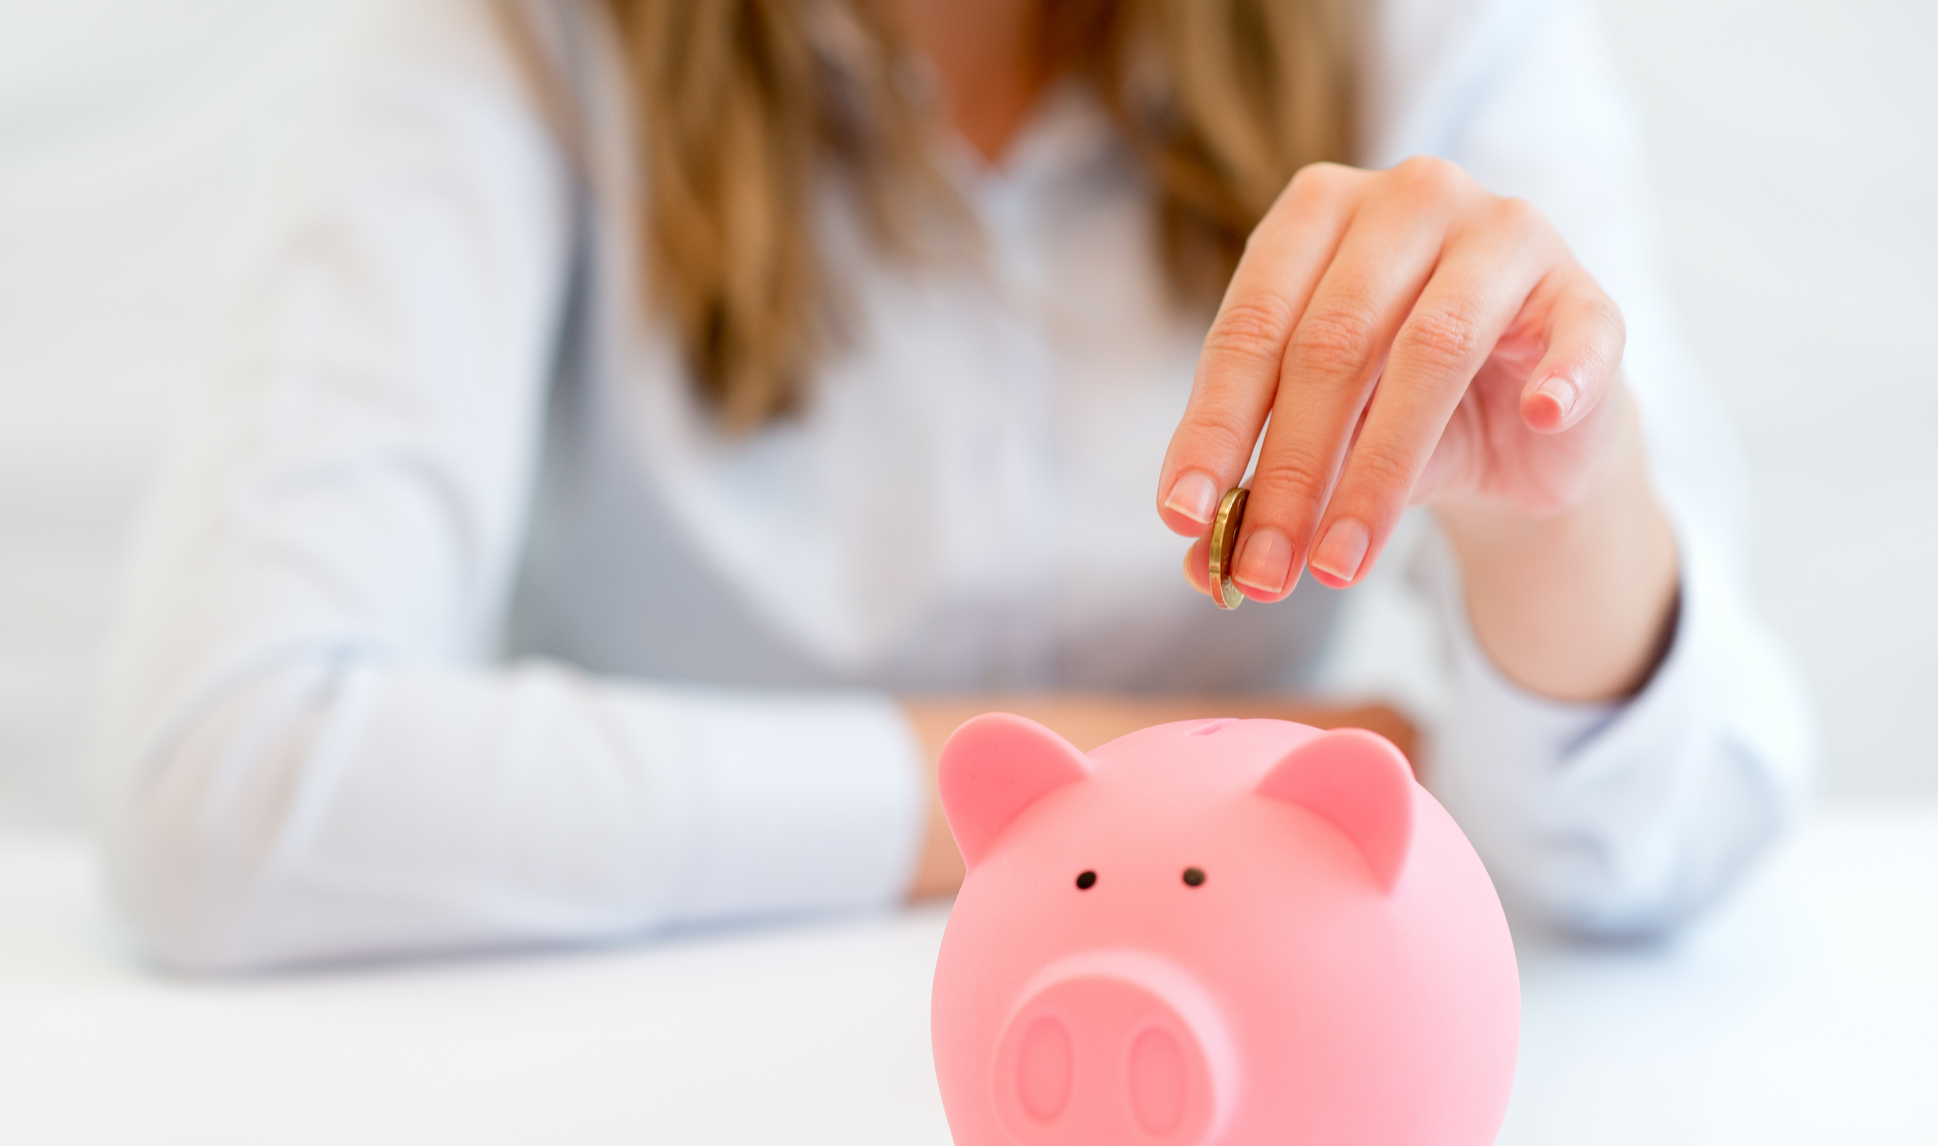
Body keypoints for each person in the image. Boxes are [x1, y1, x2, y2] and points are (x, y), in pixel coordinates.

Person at [94, 0, 1811, 971]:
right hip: (636, 1098)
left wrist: (1555, 513)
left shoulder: (1426, 36)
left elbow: (1652, 854)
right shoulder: (512, 44)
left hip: (1260, 1068)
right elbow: (229, 781)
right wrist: (1114, 781)